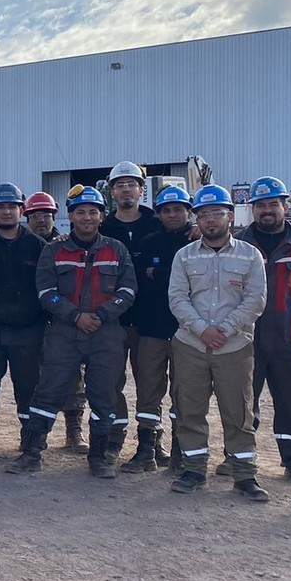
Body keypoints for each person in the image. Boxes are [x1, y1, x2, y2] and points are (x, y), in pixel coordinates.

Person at [8, 186, 137, 478]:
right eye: (80, 212)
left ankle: (99, 457)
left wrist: (102, 314)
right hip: (64, 332)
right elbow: (45, 291)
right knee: (48, 392)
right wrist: (75, 315)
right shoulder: (54, 251)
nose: (87, 217)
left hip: (105, 333)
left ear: (102, 216)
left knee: (104, 395)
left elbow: (128, 290)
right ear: (70, 216)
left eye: (93, 212)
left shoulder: (116, 250)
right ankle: (32, 453)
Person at [166, 185, 268, 499]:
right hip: (191, 345)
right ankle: (194, 470)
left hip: (234, 346)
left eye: (217, 213)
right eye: (204, 214)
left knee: (238, 412)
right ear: (196, 219)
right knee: (190, 410)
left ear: (230, 216)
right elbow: (177, 298)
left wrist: (224, 329)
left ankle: (245, 475)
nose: (210, 219)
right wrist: (202, 330)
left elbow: (255, 299)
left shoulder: (250, 255)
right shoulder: (184, 256)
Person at [234, 176, 291, 485]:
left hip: (289, 335)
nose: (267, 210)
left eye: (273, 204)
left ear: (285, 206)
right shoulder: (237, 245)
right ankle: (239, 457)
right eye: (260, 205)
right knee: (242, 400)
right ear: (252, 209)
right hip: (246, 336)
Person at [119, 185, 194, 473]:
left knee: (183, 392)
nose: (172, 215)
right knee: (148, 391)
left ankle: (179, 451)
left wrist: (159, 273)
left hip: (187, 331)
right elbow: (139, 279)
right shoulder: (149, 242)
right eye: (166, 210)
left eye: (178, 209)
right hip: (151, 328)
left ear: (189, 212)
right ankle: (146, 450)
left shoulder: (198, 243)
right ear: (159, 214)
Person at [0, 183, 45, 453]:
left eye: (12, 207)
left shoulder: (37, 246)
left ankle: (30, 442)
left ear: (21, 210)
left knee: (28, 390)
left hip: (28, 331)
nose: (6, 212)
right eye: (1, 207)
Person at [100, 161, 162, 462]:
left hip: (152, 320)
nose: (126, 190)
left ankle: (152, 442)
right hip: (113, 320)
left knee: (151, 384)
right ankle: (114, 438)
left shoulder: (159, 224)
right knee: (111, 381)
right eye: (120, 185)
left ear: (141, 189)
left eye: (131, 184)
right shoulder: (103, 228)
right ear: (112, 192)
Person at [26, 190, 88, 451]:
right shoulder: (23, 244)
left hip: (63, 321)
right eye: (35, 215)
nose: (41, 219)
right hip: (31, 322)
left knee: (73, 377)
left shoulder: (68, 245)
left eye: (46, 214)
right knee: (34, 379)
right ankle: (34, 434)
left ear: (55, 216)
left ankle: (74, 431)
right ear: (27, 218)